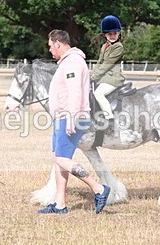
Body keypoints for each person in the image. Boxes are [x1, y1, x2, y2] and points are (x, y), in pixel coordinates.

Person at [38, 29, 110, 214]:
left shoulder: (72, 62)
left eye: (50, 46)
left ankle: (98, 188)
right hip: (62, 117)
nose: (50, 51)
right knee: (59, 160)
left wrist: (71, 118)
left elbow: (74, 91)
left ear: (57, 43)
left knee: (61, 159)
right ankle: (60, 204)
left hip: (70, 118)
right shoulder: (68, 62)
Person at [90, 15, 126, 121]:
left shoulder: (118, 47)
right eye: (109, 34)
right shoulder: (104, 46)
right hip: (103, 78)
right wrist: (91, 74)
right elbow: (99, 62)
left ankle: (110, 119)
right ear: (105, 34)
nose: (112, 36)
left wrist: (94, 77)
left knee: (98, 94)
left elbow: (107, 64)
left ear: (119, 33)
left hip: (112, 79)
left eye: (115, 33)